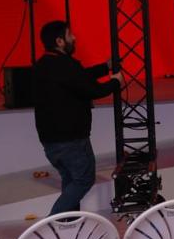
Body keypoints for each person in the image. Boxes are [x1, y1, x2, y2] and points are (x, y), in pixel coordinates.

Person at [32, 21, 122, 215]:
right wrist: (115, 82)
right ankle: (53, 221)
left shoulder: (44, 64)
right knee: (83, 180)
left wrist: (104, 68)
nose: (74, 38)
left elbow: (79, 77)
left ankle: (68, 223)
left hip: (51, 141)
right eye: (69, 35)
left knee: (70, 180)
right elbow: (91, 89)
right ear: (60, 41)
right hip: (71, 140)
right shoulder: (64, 65)